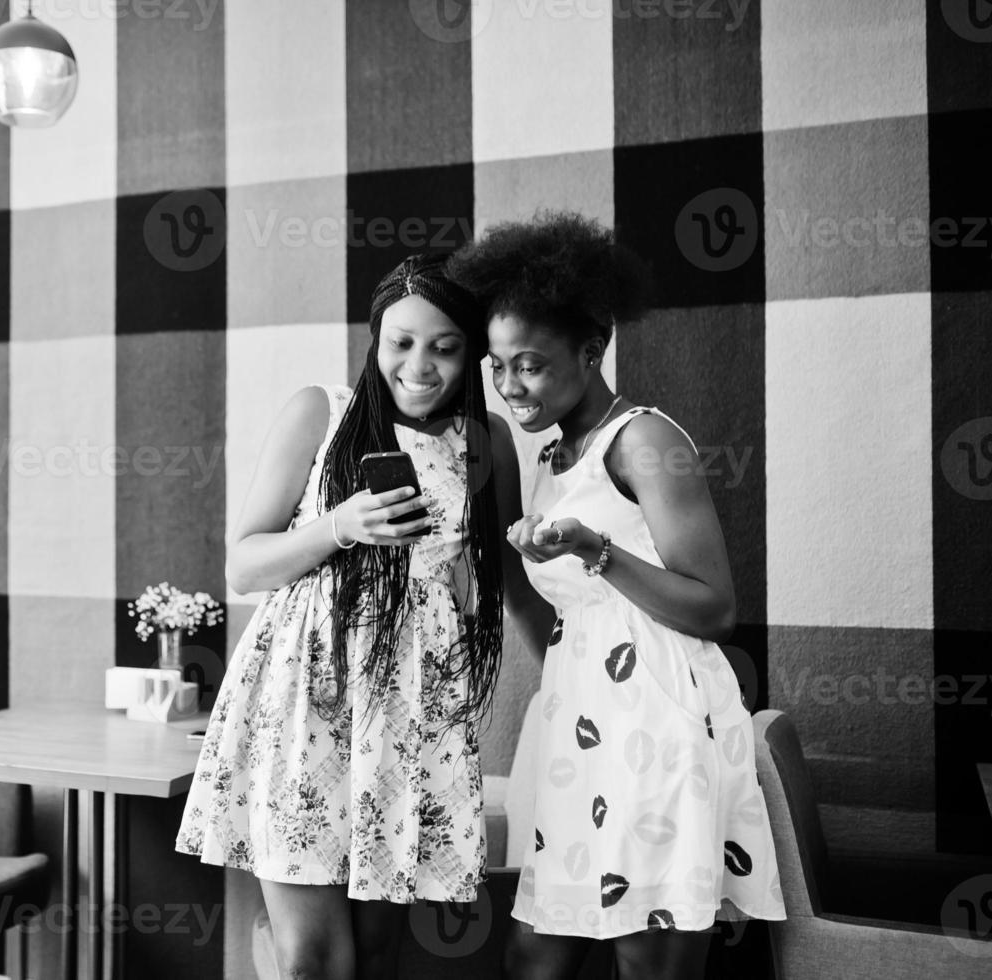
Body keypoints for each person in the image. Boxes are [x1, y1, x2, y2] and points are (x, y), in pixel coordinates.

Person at [174, 253, 550, 980]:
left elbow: (504, 578)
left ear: (469, 353)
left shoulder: (486, 441)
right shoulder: (320, 409)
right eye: (401, 342)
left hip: (413, 715)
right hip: (305, 706)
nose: (420, 365)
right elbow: (243, 565)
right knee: (312, 958)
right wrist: (339, 525)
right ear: (374, 341)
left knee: (378, 954)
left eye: (445, 347)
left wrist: (567, 674)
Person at [447, 211, 786, 979]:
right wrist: (561, 690)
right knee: (534, 953)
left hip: (656, 722)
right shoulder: (551, 453)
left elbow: (713, 608)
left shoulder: (642, 439)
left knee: (648, 955)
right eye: (496, 367)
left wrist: (594, 551)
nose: (509, 386)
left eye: (528, 364)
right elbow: (553, 613)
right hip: (580, 724)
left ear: (591, 347)